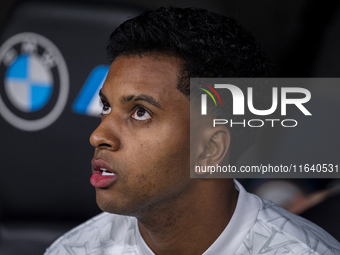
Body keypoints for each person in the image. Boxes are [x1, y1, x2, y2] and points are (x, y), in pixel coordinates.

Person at [45, 7, 340, 255]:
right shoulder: (74, 249)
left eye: (140, 112)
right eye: (106, 107)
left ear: (211, 148)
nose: (98, 136)